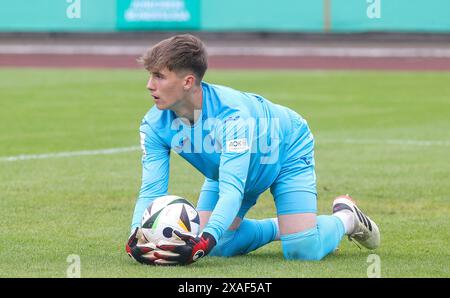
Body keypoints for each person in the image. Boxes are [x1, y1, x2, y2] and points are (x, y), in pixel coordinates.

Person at [125, 34, 380, 266]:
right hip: (229, 171)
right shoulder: (154, 124)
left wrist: (204, 241)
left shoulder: (232, 117)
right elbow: (152, 190)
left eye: (159, 76)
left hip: (286, 149)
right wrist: (137, 234)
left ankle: (346, 218)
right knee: (218, 247)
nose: (149, 85)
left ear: (188, 82)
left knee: (302, 250)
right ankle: (283, 228)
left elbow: (233, 191)